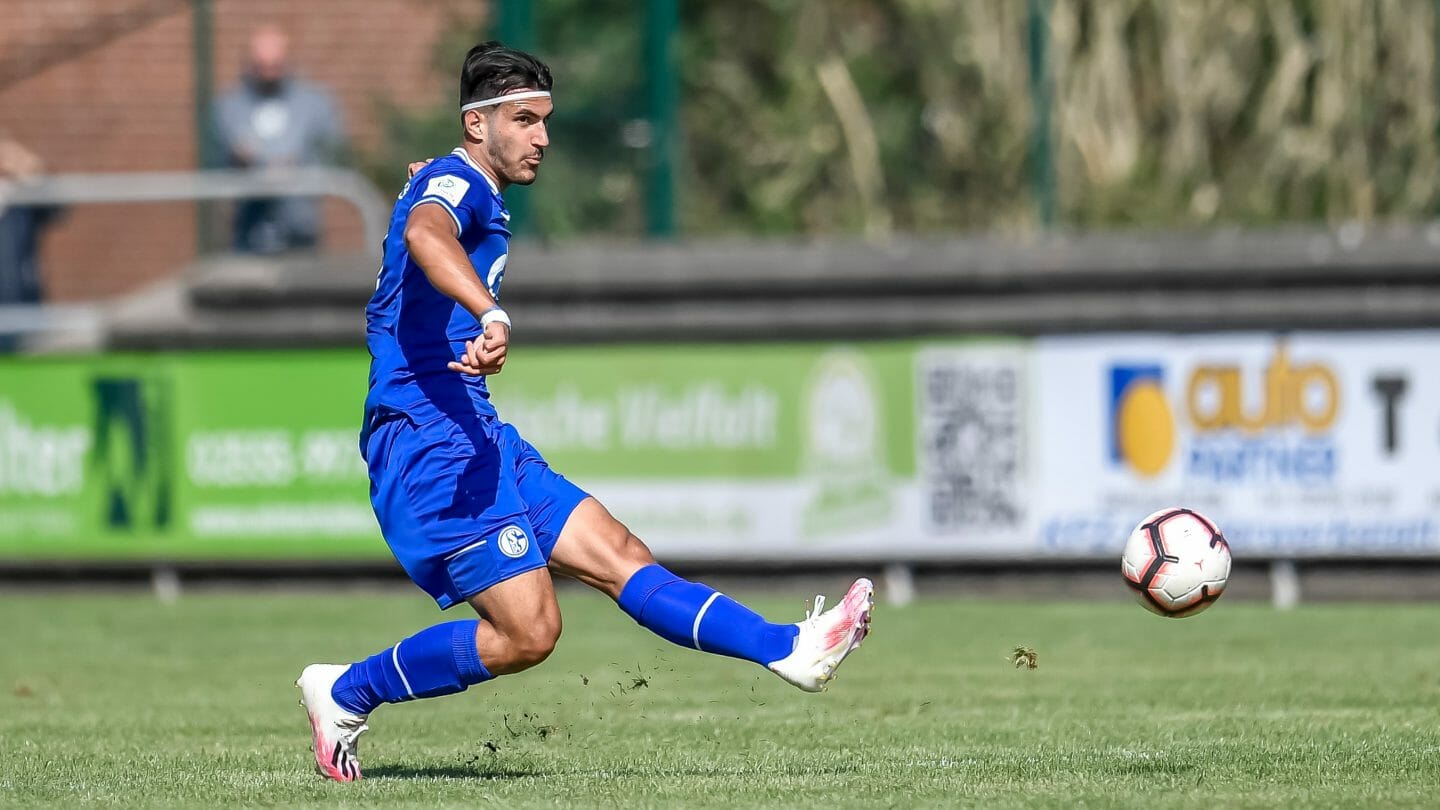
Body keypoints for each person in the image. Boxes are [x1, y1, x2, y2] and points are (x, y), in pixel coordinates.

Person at [294, 41, 874, 783]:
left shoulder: (460, 182)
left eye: (546, 120)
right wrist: (489, 310)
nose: (542, 136)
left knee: (620, 555)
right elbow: (424, 233)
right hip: (426, 439)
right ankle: (344, 692)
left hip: (474, 430)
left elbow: (427, 223)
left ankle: (790, 649)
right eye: (524, 119)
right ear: (477, 125)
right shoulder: (452, 181)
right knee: (530, 631)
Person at [212, 25, 347, 254]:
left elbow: (331, 155)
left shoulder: (315, 103)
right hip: (247, 230)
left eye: (275, 66)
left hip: (301, 229)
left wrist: (277, 163)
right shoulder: (229, 106)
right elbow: (225, 156)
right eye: (261, 66)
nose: (268, 74)